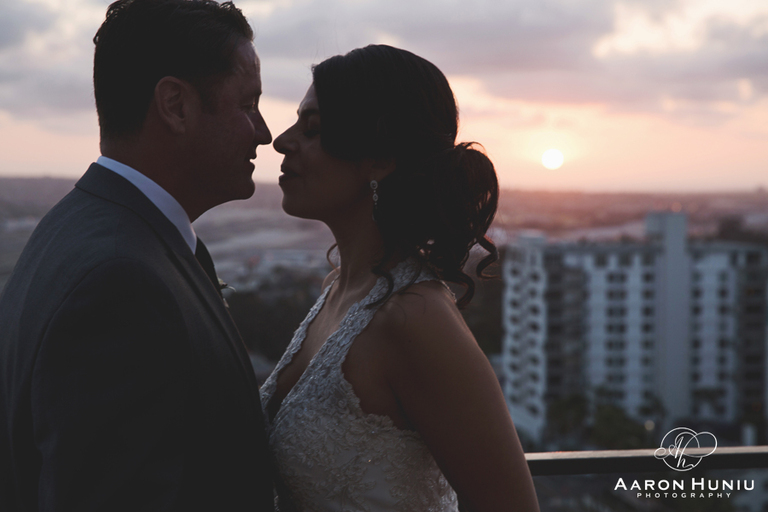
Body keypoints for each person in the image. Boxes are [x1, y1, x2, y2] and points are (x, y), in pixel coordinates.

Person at [0, 0, 275, 510]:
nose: (264, 132)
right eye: (248, 104)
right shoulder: (120, 283)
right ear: (175, 105)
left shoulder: (88, 231)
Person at [263, 44, 540, 512]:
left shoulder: (415, 317)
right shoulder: (340, 290)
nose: (281, 141)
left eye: (312, 129)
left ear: (379, 160)